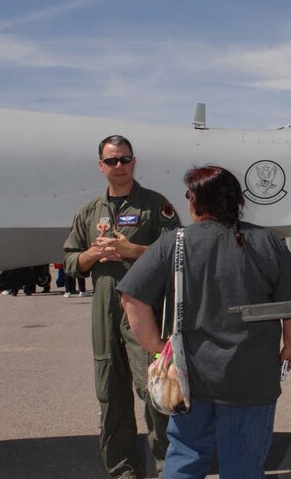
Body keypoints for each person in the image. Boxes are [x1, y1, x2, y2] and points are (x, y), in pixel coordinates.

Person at [118, 165, 291, 479]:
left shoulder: (174, 242)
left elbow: (132, 297)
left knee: (185, 457)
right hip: (252, 378)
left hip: (190, 377)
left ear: (196, 202)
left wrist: (157, 346)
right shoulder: (266, 241)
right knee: (243, 465)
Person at [63, 135, 180, 479]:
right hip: (105, 313)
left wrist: (134, 251)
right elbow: (70, 261)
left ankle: (170, 470)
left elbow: (178, 252)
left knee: (155, 392)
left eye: (125, 159)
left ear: (134, 162)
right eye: (111, 160)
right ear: (101, 166)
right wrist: (91, 255)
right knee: (110, 395)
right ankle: (124, 471)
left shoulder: (155, 206)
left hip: (144, 312)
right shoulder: (89, 212)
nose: (119, 166)